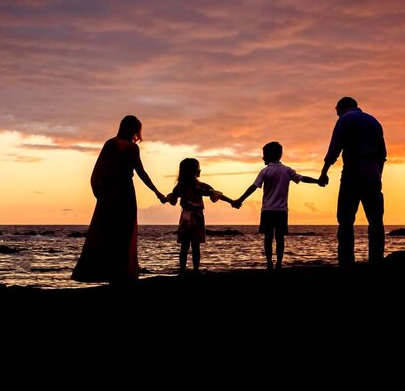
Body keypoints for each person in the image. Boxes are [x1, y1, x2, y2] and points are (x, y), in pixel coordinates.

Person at [71, 115, 167, 283]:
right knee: (124, 233)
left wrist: (99, 194)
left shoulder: (110, 144)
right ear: (134, 130)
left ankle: (110, 272)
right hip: (124, 193)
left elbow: (97, 172)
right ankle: (120, 272)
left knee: (108, 232)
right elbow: (141, 173)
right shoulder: (131, 148)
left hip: (109, 194)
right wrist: (157, 192)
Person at [317, 97, 387, 266]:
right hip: (373, 175)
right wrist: (378, 174)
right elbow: (382, 154)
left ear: (342, 107)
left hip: (352, 174)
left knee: (346, 219)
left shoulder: (345, 120)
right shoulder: (374, 121)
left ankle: (346, 261)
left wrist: (324, 172)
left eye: (336, 110)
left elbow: (334, 148)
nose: (336, 113)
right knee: (376, 221)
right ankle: (376, 260)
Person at [230, 141, 322, 269]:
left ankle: (269, 263)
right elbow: (302, 178)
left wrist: (240, 200)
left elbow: (254, 187)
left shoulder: (265, 171)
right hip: (281, 211)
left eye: (264, 155)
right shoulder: (287, 171)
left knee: (268, 238)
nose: (263, 158)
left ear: (269, 155)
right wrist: (317, 181)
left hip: (267, 210)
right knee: (280, 238)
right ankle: (279, 263)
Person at [165, 158, 236, 274]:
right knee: (195, 246)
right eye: (198, 168)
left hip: (185, 218)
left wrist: (165, 198)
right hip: (197, 217)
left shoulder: (180, 186)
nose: (200, 170)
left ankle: (182, 271)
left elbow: (172, 199)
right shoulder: (200, 186)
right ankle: (196, 270)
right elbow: (216, 194)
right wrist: (232, 201)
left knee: (184, 247)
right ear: (195, 171)